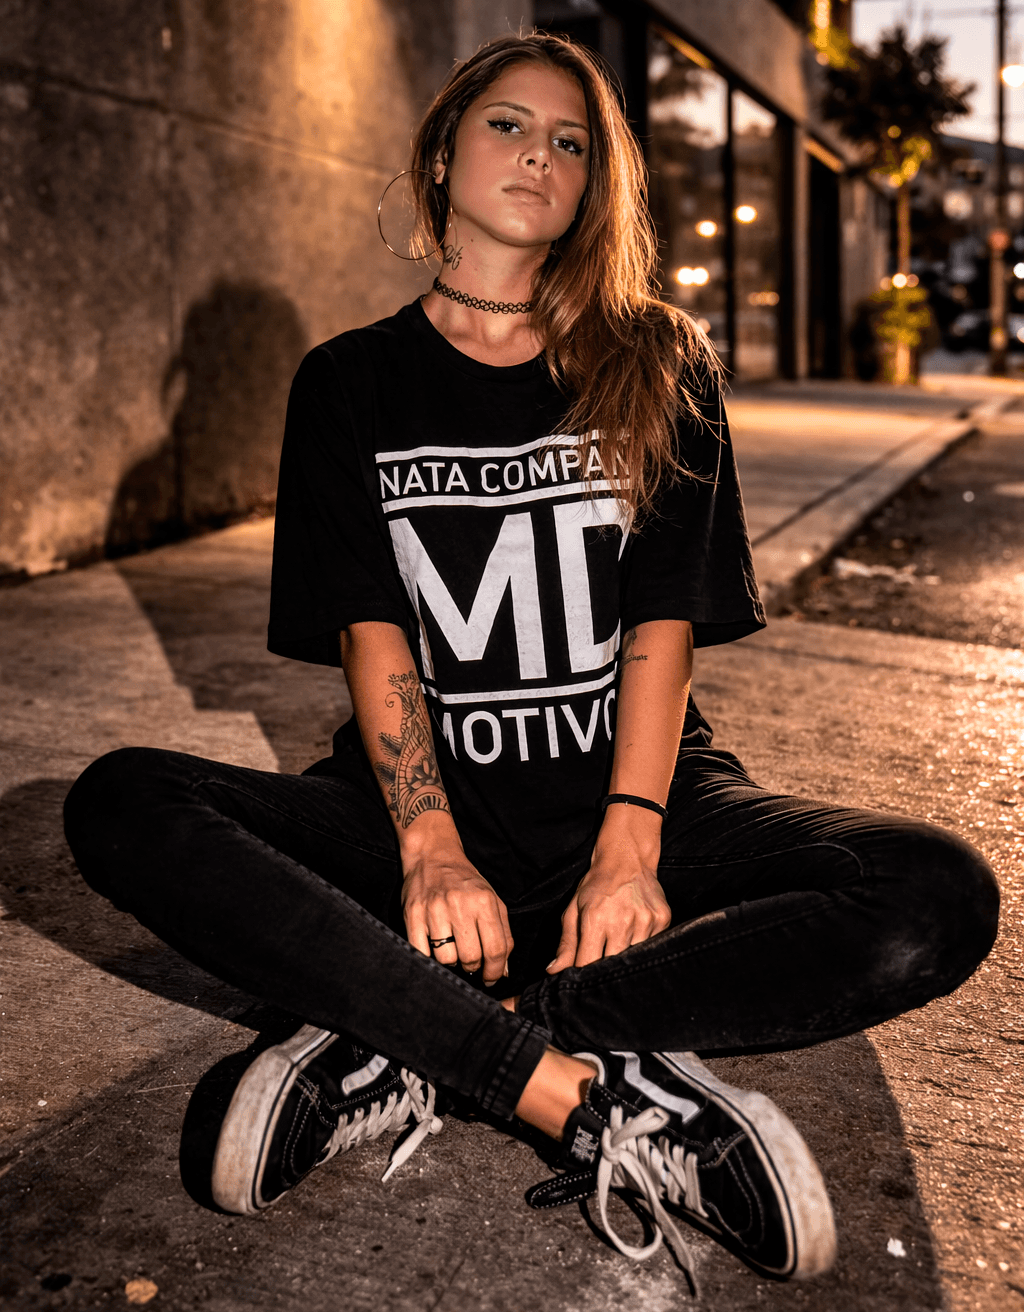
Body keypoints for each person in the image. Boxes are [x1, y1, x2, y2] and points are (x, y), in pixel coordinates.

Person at [64, 33, 999, 1294]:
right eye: (509, 126)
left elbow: (664, 623)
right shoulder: (349, 383)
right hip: (417, 807)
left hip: (635, 792)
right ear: (443, 155)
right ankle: (574, 1086)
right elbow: (370, 628)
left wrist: (629, 844)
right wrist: (428, 845)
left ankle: (397, 1033)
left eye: (571, 143)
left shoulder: (654, 358)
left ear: (591, 185)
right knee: (122, 800)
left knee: (933, 891)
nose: (540, 157)